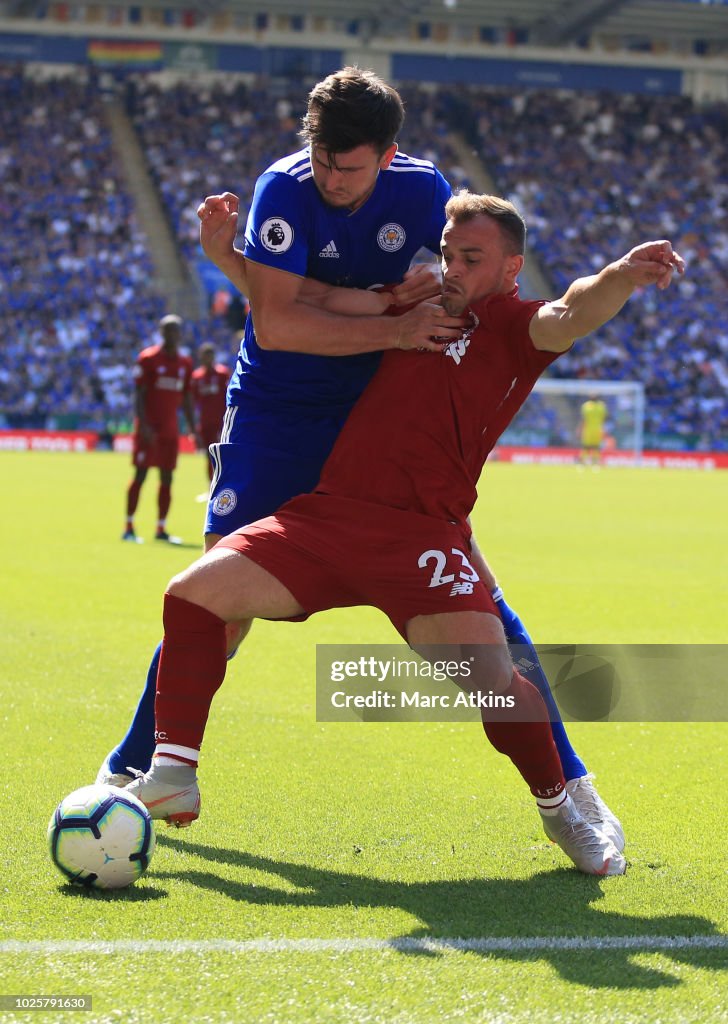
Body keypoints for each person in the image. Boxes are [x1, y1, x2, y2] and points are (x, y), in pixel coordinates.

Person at [101, 68, 616, 846]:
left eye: (350, 166)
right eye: (322, 160)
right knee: (217, 601)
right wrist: (390, 324)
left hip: (374, 406)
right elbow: (278, 326)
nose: (332, 180)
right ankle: (135, 768)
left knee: (476, 594)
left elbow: (426, 298)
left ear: (389, 155)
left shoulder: (426, 196)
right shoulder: (284, 186)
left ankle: (570, 782)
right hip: (280, 406)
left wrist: (396, 312)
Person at [125, 193, 684, 875]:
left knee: (497, 685)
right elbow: (301, 308)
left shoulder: (516, 326)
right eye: (448, 252)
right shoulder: (413, 307)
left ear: (512, 266)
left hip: (420, 539)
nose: (452, 267)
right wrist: (229, 258)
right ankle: (174, 770)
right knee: (191, 595)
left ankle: (560, 808)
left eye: (471, 258)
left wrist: (622, 273)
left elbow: (573, 309)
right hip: (326, 518)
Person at [122, 314, 196, 545]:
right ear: (161, 332)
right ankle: (129, 526)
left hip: (169, 430)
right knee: (141, 474)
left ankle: (161, 528)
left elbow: (186, 398)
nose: (172, 335)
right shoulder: (148, 358)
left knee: (167, 477)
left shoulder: (185, 363)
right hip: (149, 430)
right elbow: (139, 395)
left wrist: (193, 427)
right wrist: (142, 424)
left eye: (176, 330)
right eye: (168, 330)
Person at [190, 342, 231, 485]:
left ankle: (223, 486)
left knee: (220, 456)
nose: (208, 359)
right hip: (205, 423)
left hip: (221, 423)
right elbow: (192, 402)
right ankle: (210, 488)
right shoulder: (196, 377)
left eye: (210, 355)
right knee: (208, 456)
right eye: (205, 356)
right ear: (201, 357)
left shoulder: (222, 374)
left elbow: (229, 397)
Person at [579, 394, 608, 466]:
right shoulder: (602, 406)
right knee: (596, 447)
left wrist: (580, 429)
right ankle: (595, 462)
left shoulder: (586, 406)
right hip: (598, 429)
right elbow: (604, 418)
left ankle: (583, 461)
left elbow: (583, 419)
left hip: (588, 429)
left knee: (586, 447)